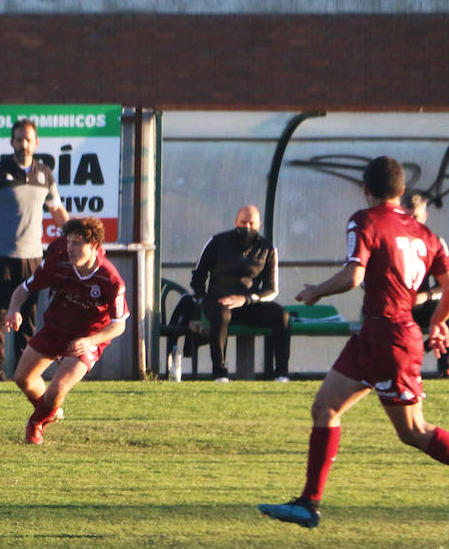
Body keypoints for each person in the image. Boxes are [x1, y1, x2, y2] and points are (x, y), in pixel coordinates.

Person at [259, 157, 449, 529]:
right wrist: (440, 320)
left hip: (389, 336)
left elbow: (352, 276)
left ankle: (309, 502)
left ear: (366, 188)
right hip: (382, 336)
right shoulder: (424, 234)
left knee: (414, 431)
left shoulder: (365, 220)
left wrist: (316, 291)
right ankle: (308, 503)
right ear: (401, 191)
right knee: (324, 408)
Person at [5, 216, 129, 444]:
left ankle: (36, 423)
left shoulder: (110, 280)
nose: (70, 248)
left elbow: (119, 324)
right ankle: (50, 411)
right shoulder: (58, 262)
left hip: (86, 338)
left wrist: (92, 341)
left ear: (94, 246)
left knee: (57, 388)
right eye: (69, 241)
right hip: (56, 328)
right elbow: (23, 289)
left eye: (77, 243)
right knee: (22, 378)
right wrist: (14, 308)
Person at [0, 118, 68, 381]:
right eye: (18, 139)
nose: (23, 144)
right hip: (0, 256)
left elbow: (57, 211)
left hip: (33, 259)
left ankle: (23, 372)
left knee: (28, 316)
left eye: (28, 139)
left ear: (36, 143)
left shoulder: (45, 174)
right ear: (12, 142)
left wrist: (75, 239)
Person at [190, 204, 291, 382]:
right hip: (219, 301)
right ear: (236, 222)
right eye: (243, 222)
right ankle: (219, 373)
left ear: (259, 224)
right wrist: (202, 299)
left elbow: (271, 289)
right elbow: (198, 275)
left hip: (248, 303)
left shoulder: (268, 249)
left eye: (251, 223)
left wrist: (246, 299)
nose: (247, 227)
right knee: (221, 315)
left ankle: (281, 374)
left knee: (281, 315)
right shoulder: (217, 242)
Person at [406, 191, 449, 378]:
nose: (411, 221)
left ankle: (445, 371)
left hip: (421, 305)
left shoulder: (433, 243)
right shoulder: (388, 240)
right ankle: (383, 375)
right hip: (393, 306)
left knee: (446, 314)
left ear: (424, 216)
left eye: (415, 216)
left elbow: (446, 284)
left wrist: (426, 295)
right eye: (406, 216)